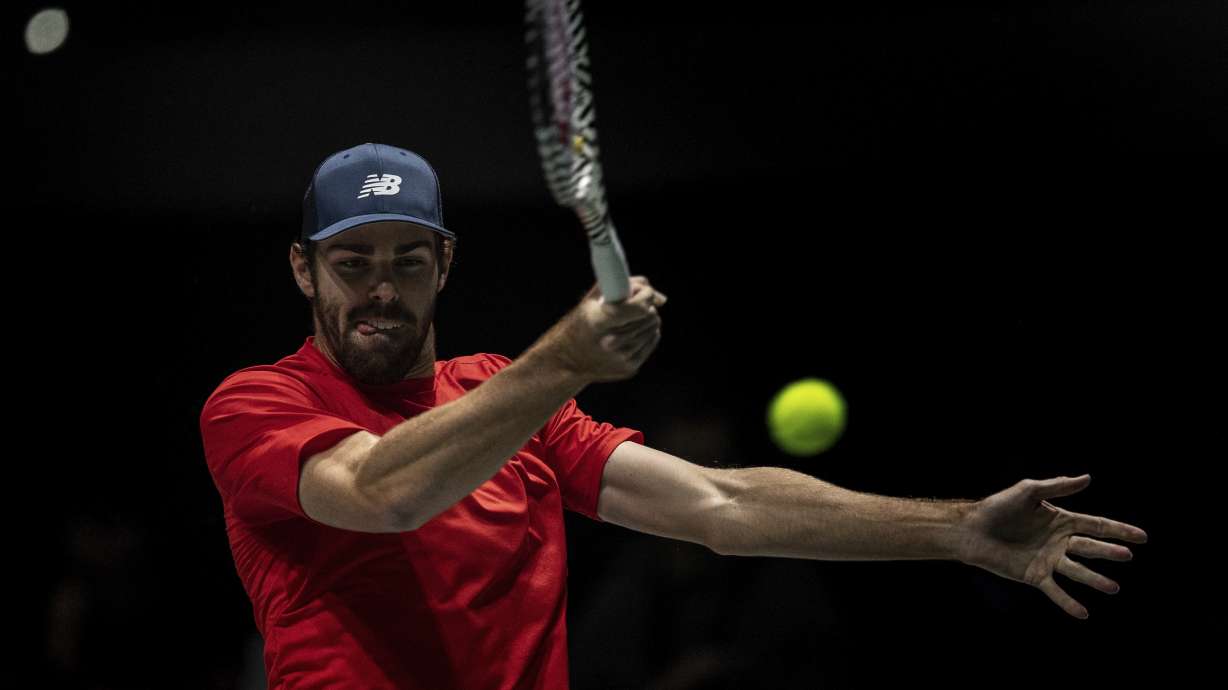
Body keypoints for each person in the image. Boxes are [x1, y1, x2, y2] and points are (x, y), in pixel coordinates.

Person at [200, 142, 1149, 689]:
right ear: (303, 269)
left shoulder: (501, 395)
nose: (381, 288)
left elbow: (722, 506)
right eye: (352, 262)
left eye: (407, 260)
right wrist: (564, 361)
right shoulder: (257, 404)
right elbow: (383, 492)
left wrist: (958, 530)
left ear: (443, 265)